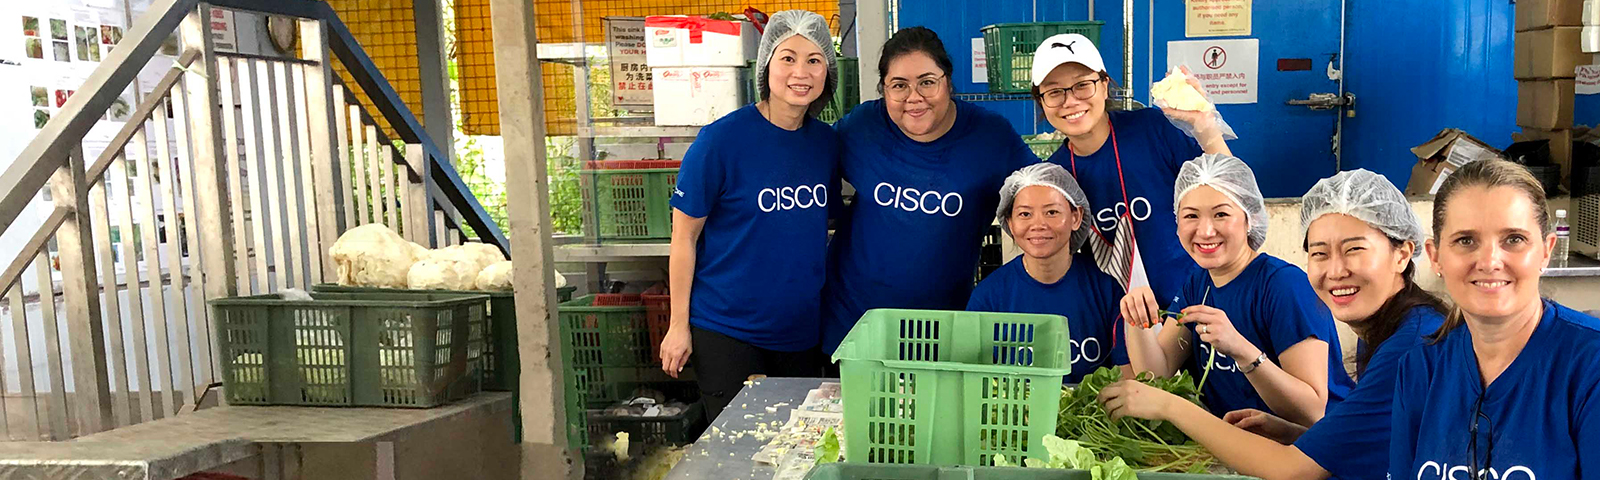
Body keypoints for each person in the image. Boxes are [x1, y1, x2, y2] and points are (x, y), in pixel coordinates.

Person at [1093, 169, 1446, 480]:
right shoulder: (1388, 328)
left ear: (1402, 254)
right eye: (1320, 253)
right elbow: (1378, 450)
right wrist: (1291, 433)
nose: (1335, 270)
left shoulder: (1410, 345)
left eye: (1353, 249)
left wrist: (1172, 407)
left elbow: (1293, 467)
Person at [657, 10, 839, 420]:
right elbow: (683, 239)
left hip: (799, 332)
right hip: (727, 330)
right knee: (740, 447)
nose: (801, 72)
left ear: (827, 70)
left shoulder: (826, 144)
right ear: (766, 66)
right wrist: (678, 324)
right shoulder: (721, 141)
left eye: (814, 60)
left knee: (794, 445)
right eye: (788, 58)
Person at [820, 27, 1039, 357]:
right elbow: (810, 161)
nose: (914, 97)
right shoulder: (864, 127)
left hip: (940, 330)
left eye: (927, 81)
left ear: (947, 82)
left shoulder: (989, 137)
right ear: (884, 90)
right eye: (899, 86)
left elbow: (1041, 188)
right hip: (852, 324)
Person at [1389, 159, 1600, 479]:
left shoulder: (1589, 367)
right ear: (1435, 257)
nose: (1489, 261)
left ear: (1546, 251)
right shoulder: (1421, 370)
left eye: (1513, 239)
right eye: (1465, 240)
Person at [1118, 154, 1353, 427]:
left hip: (1314, 453)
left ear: (1249, 218)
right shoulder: (1198, 284)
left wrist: (1241, 350)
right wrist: (1137, 320)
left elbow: (1311, 412)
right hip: (1241, 446)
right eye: (1191, 216)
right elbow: (1159, 375)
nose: (1205, 231)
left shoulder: (1283, 286)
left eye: (1221, 214)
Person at [1029, 33, 1231, 326]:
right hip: (1125, 321)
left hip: (1201, 302)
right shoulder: (1057, 176)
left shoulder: (1152, 129)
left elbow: (1233, 193)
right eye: (1054, 92)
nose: (1070, 101)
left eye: (1083, 85)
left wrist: (1205, 126)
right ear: (1042, 102)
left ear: (1105, 86)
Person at [967, 163, 1125, 383]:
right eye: (1025, 214)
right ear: (1010, 223)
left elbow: (1127, 377)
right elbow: (974, 383)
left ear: (1076, 217)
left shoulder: (1106, 291)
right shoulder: (989, 298)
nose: (1038, 224)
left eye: (1052, 212)